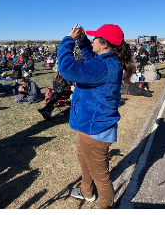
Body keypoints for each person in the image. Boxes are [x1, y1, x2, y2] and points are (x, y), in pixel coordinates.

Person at [58, 24, 133, 209]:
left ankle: (106, 206)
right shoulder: (107, 62)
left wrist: (68, 40)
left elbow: (67, 68)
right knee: (84, 161)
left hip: (95, 130)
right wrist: (83, 41)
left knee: (101, 177)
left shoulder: (104, 66)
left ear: (104, 44)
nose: (92, 40)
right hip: (89, 126)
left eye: (95, 38)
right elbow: (92, 60)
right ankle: (86, 191)